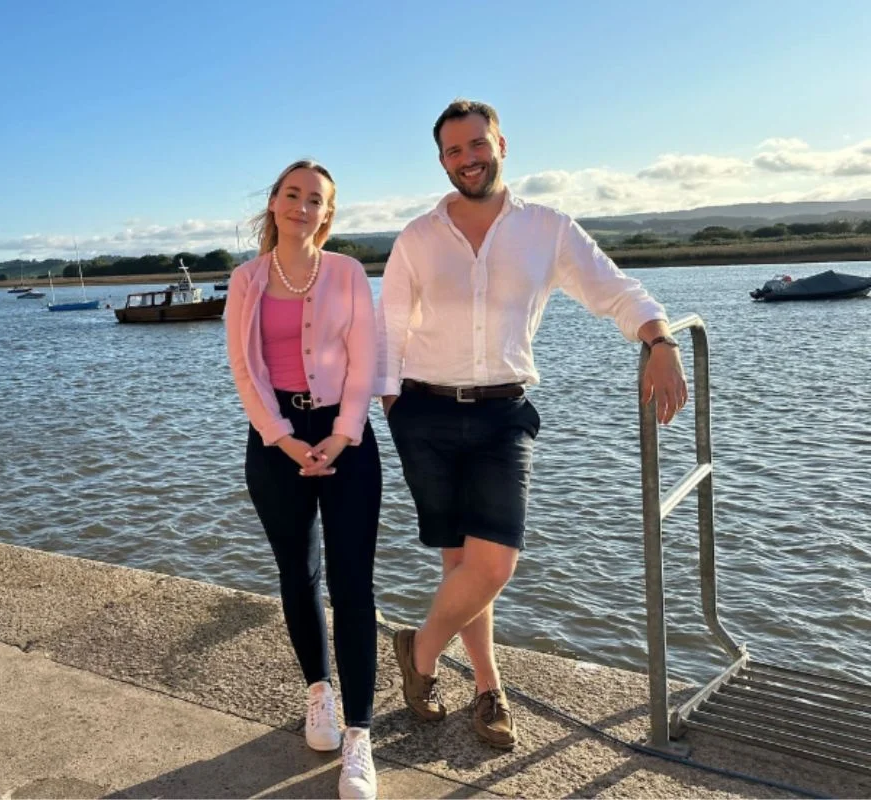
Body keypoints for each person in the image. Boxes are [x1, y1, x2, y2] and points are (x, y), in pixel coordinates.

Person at [377, 100, 688, 751]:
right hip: (425, 413)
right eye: (454, 151)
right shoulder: (417, 237)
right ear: (442, 161)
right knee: (461, 563)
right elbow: (390, 329)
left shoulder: (547, 228)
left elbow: (614, 289)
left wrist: (660, 340)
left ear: (501, 145)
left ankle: (419, 651)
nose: (468, 159)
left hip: (502, 415)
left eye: (477, 144)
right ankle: (489, 688)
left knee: (493, 564)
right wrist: (392, 405)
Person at [226, 159, 381, 799]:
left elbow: (365, 361)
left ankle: (359, 734)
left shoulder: (347, 272)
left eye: (314, 199)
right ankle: (319, 693)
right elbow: (244, 367)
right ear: (274, 203)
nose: (301, 206)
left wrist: (341, 433)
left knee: (353, 583)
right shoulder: (247, 279)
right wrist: (284, 438)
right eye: (292, 195)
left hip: (347, 439)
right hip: (275, 442)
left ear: (327, 214)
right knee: (299, 573)